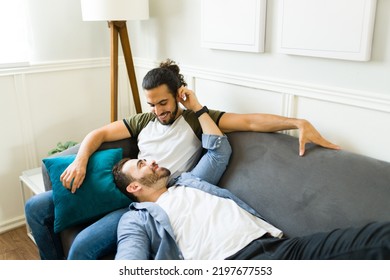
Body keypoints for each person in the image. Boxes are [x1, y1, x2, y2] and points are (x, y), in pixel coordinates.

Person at [25, 59, 340, 260]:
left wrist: (297, 123)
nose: (158, 111)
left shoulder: (193, 120)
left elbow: (250, 122)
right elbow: (98, 134)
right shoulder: (143, 121)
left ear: (178, 94)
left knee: (82, 246)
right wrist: (80, 160)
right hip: (128, 180)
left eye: (163, 102)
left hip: (152, 196)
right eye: (152, 104)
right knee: (36, 207)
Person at [112, 97, 389, 260]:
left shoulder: (189, 180)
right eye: (142, 163)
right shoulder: (136, 219)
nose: (151, 160)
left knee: (377, 238)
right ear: (134, 186)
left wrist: (195, 105)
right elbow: (129, 261)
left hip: (280, 247)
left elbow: (219, 150)